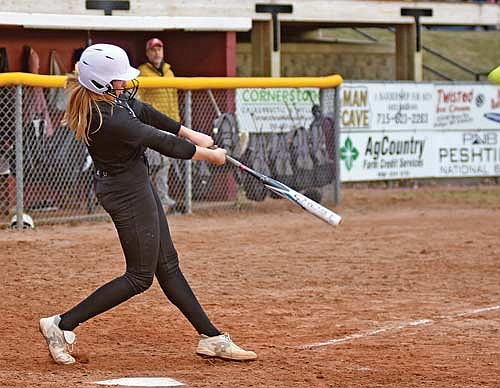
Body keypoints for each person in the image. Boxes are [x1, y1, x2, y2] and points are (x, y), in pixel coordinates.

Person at [39, 43, 257, 365]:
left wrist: (191, 132)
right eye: (118, 79)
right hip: (125, 191)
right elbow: (160, 141)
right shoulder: (107, 118)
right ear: (100, 82)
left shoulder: (111, 101)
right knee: (140, 276)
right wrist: (210, 156)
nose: (125, 84)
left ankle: (211, 337)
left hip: (135, 182)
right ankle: (61, 325)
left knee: (167, 264)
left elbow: (144, 112)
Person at [138, 38, 179, 211]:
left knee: (165, 165)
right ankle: (144, 198)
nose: (157, 53)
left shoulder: (169, 71)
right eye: (153, 50)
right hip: (151, 126)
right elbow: (136, 98)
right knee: (151, 164)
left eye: (159, 49)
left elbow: (174, 99)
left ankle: (162, 198)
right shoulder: (142, 72)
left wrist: (177, 122)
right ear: (147, 53)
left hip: (169, 124)